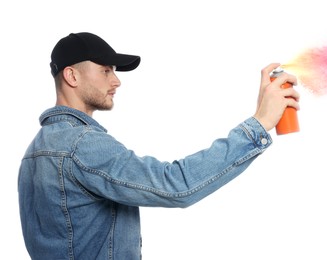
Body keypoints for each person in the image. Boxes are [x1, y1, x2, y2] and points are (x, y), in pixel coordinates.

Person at [18, 32, 300, 259]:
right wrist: (260, 123)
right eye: (105, 70)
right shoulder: (81, 145)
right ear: (72, 76)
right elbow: (176, 185)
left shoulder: (33, 152)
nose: (116, 80)